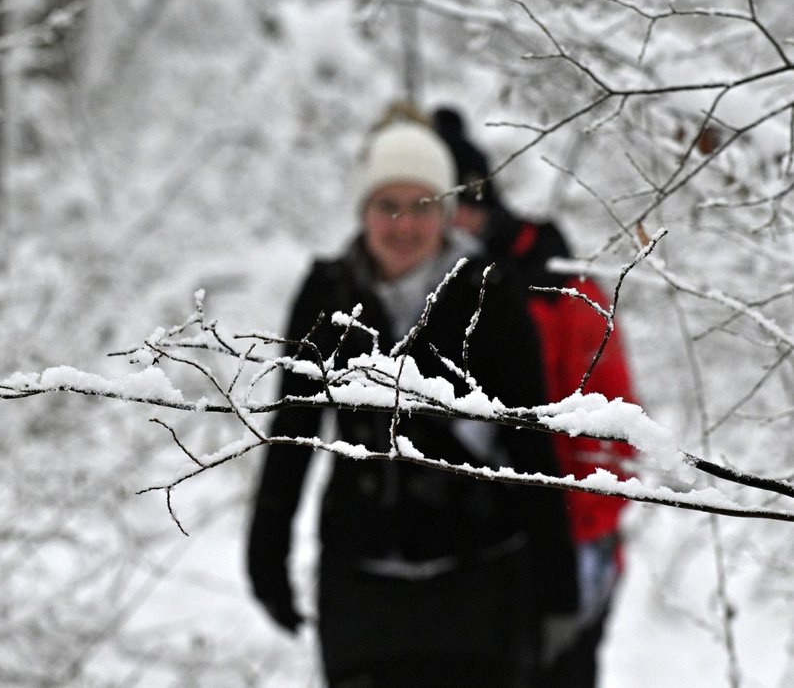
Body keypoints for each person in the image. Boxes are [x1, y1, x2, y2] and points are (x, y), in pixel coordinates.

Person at [246, 108, 579, 687]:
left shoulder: (488, 293)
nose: (403, 225)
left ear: (447, 213)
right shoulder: (329, 293)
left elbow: (531, 447)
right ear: (362, 211)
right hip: (361, 586)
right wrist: (266, 558)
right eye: (386, 206)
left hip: (478, 580)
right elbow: (292, 436)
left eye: (421, 206)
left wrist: (558, 585)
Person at [433, 106, 638, 687]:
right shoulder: (432, 293)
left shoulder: (558, 287)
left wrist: (563, 543)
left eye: (457, 209)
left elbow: (609, 433)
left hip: (571, 540)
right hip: (483, 559)